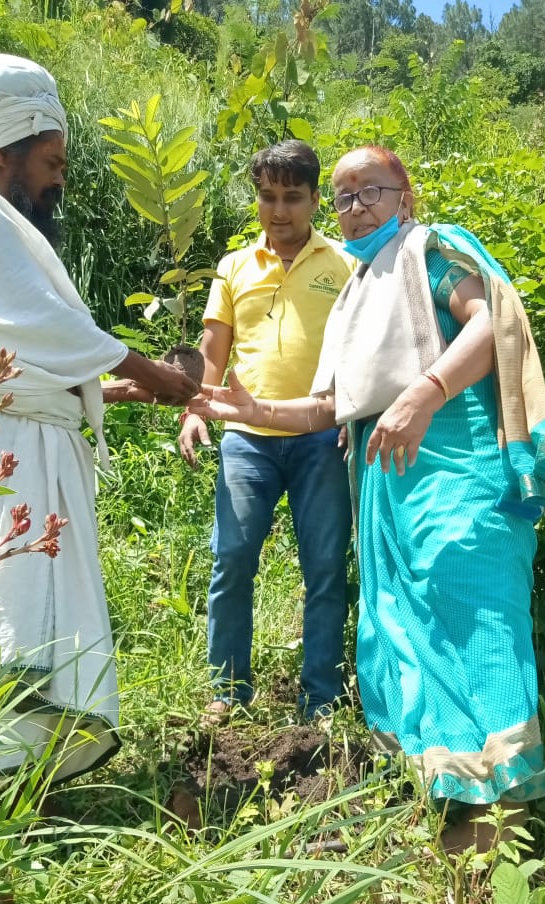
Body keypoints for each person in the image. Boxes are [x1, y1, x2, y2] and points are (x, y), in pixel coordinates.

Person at [190, 146, 545, 852]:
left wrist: (424, 393)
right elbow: (331, 408)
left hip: (455, 471)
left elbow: (488, 324)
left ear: (406, 195)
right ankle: (446, 781)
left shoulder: (432, 251)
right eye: (344, 198)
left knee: (473, 610)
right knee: (409, 622)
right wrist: (250, 407)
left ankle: (504, 812)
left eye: (369, 191)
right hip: (389, 487)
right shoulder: (357, 291)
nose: (355, 206)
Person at [0, 53, 199, 787]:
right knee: (1, 616)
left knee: (37, 620)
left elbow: (28, 360)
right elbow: (39, 325)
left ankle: (24, 786)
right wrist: (153, 372)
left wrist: (103, 393)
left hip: (30, 444)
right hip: (0, 460)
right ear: (4, 149)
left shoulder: (11, 227)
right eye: (50, 160)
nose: (60, 176)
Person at [180, 141, 355, 723]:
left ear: (313, 200)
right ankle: (227, 691)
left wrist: (355, 416)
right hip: (247, 439)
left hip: (322, 439)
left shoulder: (345, 266)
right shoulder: (233, 267)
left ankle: (321, 699)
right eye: (267, 196)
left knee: (325, 567)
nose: (279, 211)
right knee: (231, 558)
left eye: (293, 198)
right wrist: (195, 410)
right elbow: (213, 350)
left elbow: (360, 354)